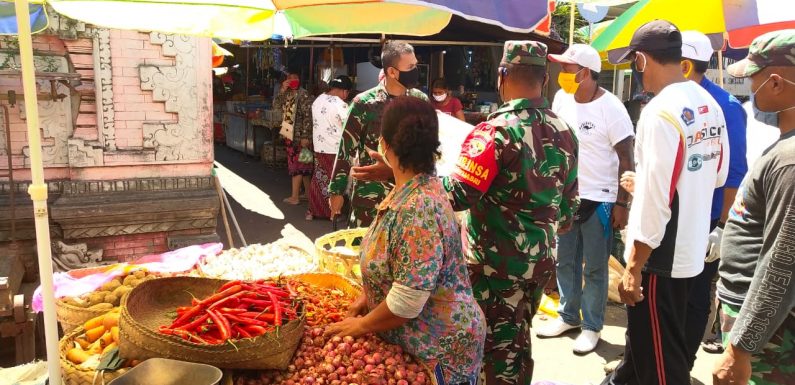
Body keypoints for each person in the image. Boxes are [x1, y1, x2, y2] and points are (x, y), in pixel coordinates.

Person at [350, 41, 579, 385]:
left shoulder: (494, 132)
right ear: (544, 80)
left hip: (493, 267)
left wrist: (399, 170)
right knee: (517, 341)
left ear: (502, 76)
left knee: (495, 355)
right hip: (539, 264)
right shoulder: (565, 132)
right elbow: (568, 212)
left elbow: (456, 195)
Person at [324, 96, 487, 385]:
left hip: (441, 351)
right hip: (415, 339)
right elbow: (400, 265)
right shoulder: (413, 186)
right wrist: (369, 296)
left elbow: (407, 300)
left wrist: (360, 326)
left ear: (384, 145)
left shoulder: (418, 207)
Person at [601, 20, 729, 385]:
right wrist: (648, 182)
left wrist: (634, 267)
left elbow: (657, 201)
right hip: (690, 248)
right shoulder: (709, 102)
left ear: (642, 60)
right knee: (643, 350)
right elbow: (718, 174)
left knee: (661, 363)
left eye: (634, 63)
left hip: (659, 257)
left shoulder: (659, 112)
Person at [536, 44, 634, 354]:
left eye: (567, 68)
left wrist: (622, 203)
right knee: (565, 261)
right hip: (567, 197)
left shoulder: (611, 108)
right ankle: (568, 316)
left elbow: (626, 158)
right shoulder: (562, 99)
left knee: (594, 267)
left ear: (586, 73)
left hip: (601, 200)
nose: (562, 73)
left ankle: (592, 326)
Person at [714, 29, 795, 385]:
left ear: (775, 83)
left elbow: (782, 262)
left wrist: (740, 348)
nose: (749, 88)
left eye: (753, 79)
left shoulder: (790, 160)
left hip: (768, 335)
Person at [675, 30, 751, 362]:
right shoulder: (673, 98)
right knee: (668, 292)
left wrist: (722, 226)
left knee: (694, 294)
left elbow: (735, 172)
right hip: (676, 212)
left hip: (708, 218)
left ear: (685, 64)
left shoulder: (727, 107)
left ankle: (682, 363)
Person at [327, 41, 429, 228]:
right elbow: (346, 149)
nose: (416, 71)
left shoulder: (420, 102)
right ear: (392, 72)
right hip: (370, 199)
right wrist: (336, 191)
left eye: (416, 65)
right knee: (364, 245)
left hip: (410, 198)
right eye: (410, 67)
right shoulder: (364, 103)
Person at [308, 75, 352, 220]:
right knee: (336, 181)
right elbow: (349, 126)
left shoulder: (318, 100)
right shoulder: (340, 105)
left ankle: (313, 211)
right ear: (345, 91)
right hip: (335, 148)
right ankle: (333, 213)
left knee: (319, 178)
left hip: (319, 147)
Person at [274, 71, 314, 206]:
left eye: (295, 78)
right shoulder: (287, 93)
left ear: (299, 79)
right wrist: (282, 90)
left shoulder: (304, 94)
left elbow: (308, 116)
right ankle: (308, 194)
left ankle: (295, 197)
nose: (293, 80)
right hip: (288, 133)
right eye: (290, 78)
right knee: (304, 165)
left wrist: (305, 136)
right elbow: (276, 106)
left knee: (297, 165)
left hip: (299, 135)